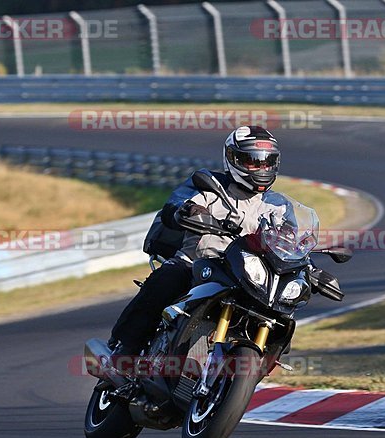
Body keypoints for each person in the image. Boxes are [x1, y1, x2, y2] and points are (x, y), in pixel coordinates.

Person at [107, 125, 283, 364]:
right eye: (253, 161)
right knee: (166, 279)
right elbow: (176, 203)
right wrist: (188, 209)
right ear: (234, 159)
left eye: (266, 162)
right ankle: (124, 349)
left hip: (242, 278)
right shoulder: (209, 184)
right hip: (195, 265)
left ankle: (245, 369)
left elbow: (290, 240)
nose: (261, 168)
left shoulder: (276, 206)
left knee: (278, 312)